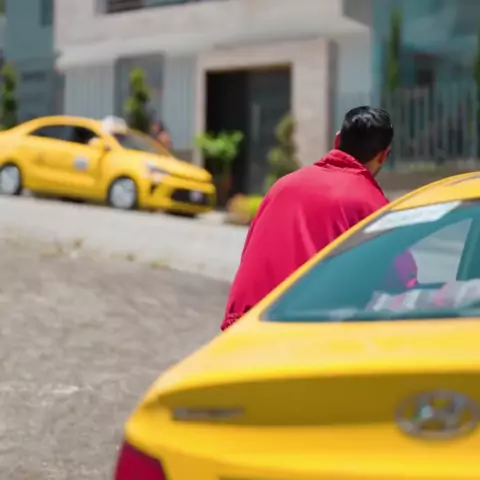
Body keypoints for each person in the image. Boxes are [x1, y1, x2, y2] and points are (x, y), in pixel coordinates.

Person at [221, 106, 417, 331]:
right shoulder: (372, 205)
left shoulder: (282, 187)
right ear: (383, 155)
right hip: (307, 333)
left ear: (337, 140)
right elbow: (402, 282)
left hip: (244, 328)